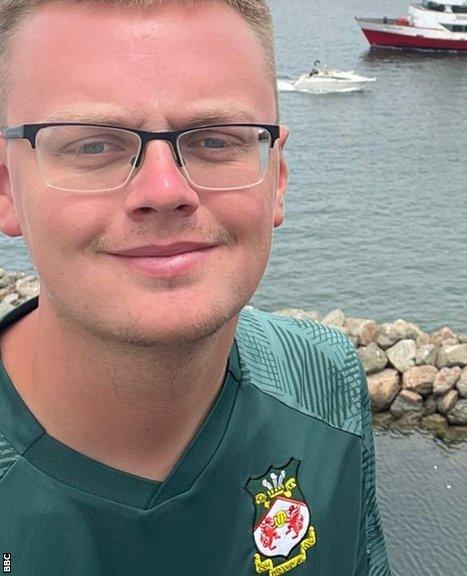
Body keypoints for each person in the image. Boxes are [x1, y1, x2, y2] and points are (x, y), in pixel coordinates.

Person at [0, 1, 389, 574]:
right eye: (92, 145)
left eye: (215, 140)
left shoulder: (325, 379)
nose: (164, 189)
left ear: (277, 178)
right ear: (8, 189)